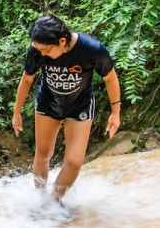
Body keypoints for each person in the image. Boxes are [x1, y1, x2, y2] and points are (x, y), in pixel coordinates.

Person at [12, 14, 121, 206]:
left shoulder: (92, 49)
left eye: (45, 50)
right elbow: (27, 79)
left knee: (74, 162)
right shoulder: (36, 50)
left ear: (62, 41)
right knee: (43, 153)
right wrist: (17, 112)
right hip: (48, 102)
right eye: (38, 49)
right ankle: (39, 199)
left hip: (80, 105)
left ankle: (53, 203)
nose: (41, 54)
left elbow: (110, 78)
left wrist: (115, 113)